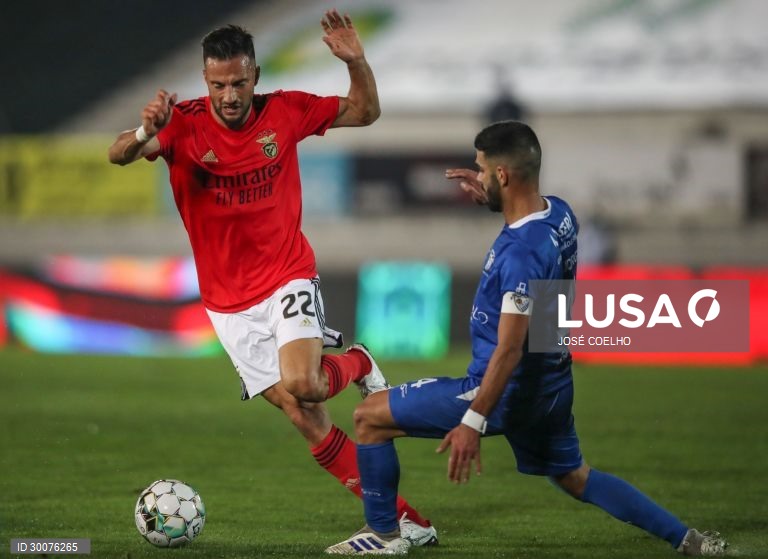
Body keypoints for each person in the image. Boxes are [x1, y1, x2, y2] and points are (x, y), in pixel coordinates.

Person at [107, 10, 436, 546]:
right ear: (205, 79)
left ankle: (357, 361)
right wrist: (147, 128)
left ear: (255, 75)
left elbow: (365, 111)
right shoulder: (182, 124)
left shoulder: (285, 111)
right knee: (304, 415)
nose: (229, 95)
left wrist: (356, 60)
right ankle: (404, 520)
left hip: (287, 275)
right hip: (226, 303)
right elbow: (117, 154)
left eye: (238, 82)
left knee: (306, 383)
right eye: (218, 84)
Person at [326, 121, 728, 556]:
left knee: (369, 417)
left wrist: (472, 421)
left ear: (503, 176)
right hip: (551, 382)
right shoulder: (560, 213)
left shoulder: (521, 255)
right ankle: (689, 541)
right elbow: (546, 299)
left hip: (503, 388)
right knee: (576, 476)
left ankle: (384, 534)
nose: (475, 176)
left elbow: (510, 348)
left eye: (481, 170)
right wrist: (490, 198)